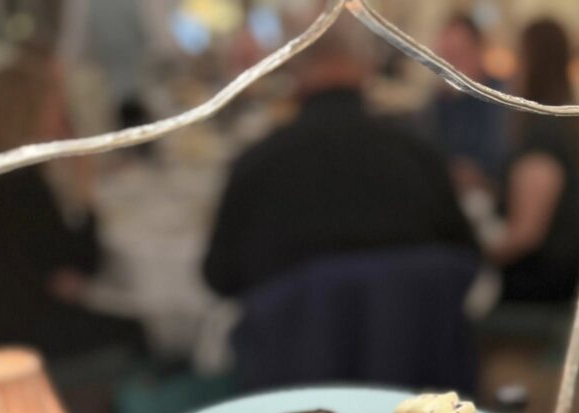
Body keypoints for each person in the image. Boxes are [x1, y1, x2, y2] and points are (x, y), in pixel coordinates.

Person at [203, 21, 477, 298]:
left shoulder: (257, 165)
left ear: (296, 71)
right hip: (409, 337)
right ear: (365, 71)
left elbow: (219, 276)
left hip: (295, 340)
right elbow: (466, 257)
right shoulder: (421, 158)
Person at [0, 53, 147, 361]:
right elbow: (85, 262)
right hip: (24, 331)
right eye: (58, 108)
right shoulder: (21, 179)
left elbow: (43, 259)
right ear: (33, 111)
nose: (64, 118)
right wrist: (84, 186)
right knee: (144, 330)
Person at [487, 19, 579, 304]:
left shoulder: (543, 135)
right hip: (558, 268)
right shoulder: (564, 121)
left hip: (541, 277)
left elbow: (526, 234)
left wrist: (472, 255)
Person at [416, 15, 507, 192]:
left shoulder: (500, 99)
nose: (450, 67)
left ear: (478, 50)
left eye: (457, 55)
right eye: (444, 58)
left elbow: (498, 164)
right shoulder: (440, 101)